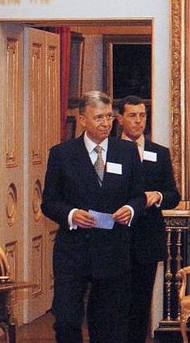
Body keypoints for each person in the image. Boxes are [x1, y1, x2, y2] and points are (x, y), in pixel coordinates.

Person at [41, 90, 145, 343]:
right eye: (98, 117)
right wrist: (72, 214)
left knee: (108, 324)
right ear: (82, 120)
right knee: (66, 320)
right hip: (73, 252)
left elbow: (139, 196)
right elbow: (49, 203)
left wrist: (130, 210)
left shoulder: (127, 152)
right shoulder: (62, 154)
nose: (105, 123)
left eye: (109, 117)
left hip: (113, 251)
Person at [118, 96, 181, 343]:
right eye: (132, 115)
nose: (138, 121)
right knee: (116, 302)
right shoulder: (111, 150)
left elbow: (173, 195)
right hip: (117, 238)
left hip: (147, 240)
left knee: (141, 304)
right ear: (120, 118)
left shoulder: (159, 153)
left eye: (142, 115)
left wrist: (157, 196)